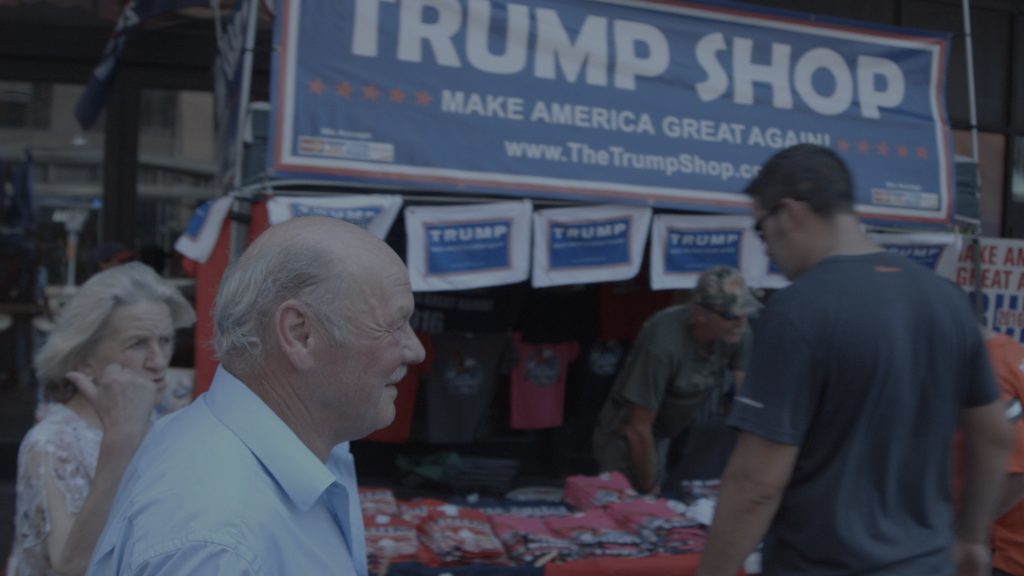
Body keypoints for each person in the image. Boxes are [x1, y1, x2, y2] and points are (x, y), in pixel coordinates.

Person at [696, 144, 1012, 576]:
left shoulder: (798, 311)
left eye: (760, 229)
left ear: (790, 213)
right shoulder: (946, 300)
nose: (766, 248)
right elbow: (994, 435)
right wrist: (972, 537)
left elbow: (755, 484)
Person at [87, 216, 426, 575]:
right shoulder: (219, 544)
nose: (415, 350)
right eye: (393, 324)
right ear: (300, 333)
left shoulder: (238, 477)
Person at [7, 262, 195, 576]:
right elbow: (74, 567)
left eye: (165, 341)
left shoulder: (165, 421)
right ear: (84, 356)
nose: (159, 362)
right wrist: (121, 442)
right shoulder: (51, 444)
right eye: (138, 344)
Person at [591, 265, 759, 494]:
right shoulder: (662, 340)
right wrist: (650, 487)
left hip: (676, 426)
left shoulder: (739, 331)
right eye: (732, 315)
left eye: (746, 312)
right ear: (700, 314)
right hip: (627, 434)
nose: (742, 323)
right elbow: (638, 428)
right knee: (631, 505)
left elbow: (745, 400)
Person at [980, 326, 1024, 576]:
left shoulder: (992, 369)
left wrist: (969, 533)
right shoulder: (1010, 352)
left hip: (1009, 553)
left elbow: (1017, 473)